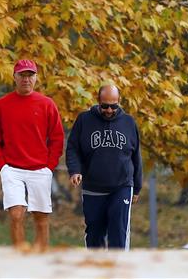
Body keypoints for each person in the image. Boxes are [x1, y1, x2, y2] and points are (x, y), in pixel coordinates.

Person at [0, 59, 64, 251]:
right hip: (12, 169)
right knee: (16, 214)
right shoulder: (1, 105)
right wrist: (2, 166)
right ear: (14, 77)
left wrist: (49, 165)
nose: (26, 79)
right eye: (22, 75)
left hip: (40, 169)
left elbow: (57, 138)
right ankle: (19, 256)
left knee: (41, 216)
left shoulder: (47, 104)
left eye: (30, 75)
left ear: (36, 78)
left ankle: (40, 256)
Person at [65, 83, 143, 250]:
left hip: (121, 186)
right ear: (98, 101)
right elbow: (73, 148)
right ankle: (96, 269)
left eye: (113, 106)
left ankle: (119, 271)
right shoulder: (84, 120)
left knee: (119, 231)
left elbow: (136, 156)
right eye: (105, 106)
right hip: (93, 187)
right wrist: (75, 170)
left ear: (119, 102)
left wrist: (137, 187)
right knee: (94, 232)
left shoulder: (129, 122)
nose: (109, 110)